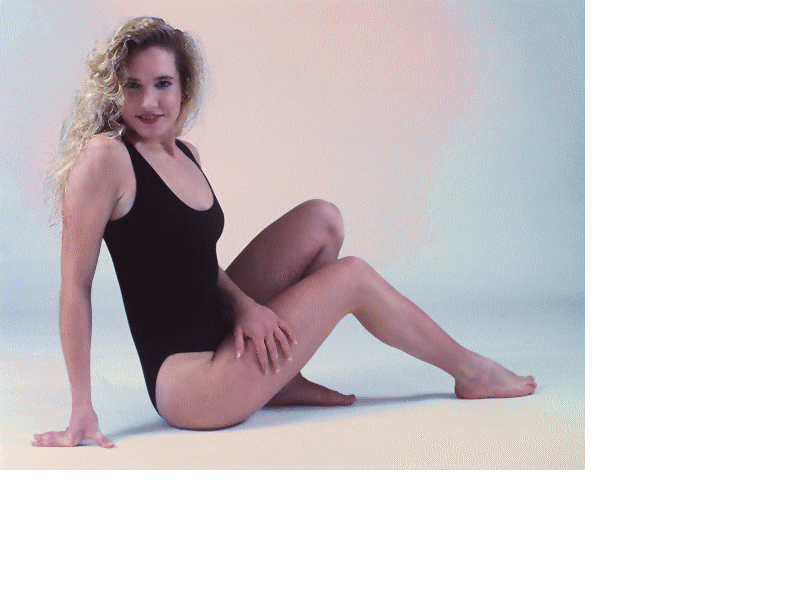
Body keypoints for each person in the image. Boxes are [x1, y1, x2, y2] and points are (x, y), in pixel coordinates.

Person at [33, 17, 536, 449]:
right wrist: (81, 408)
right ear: (113, 90)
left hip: (218, 334)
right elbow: (75, 287)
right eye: (132, 86)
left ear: (184, 86)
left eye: (162, 83)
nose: (149, 101)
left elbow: (195, 263)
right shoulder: (105, 158)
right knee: (353, 277)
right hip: (190, 385)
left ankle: (281, 379)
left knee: (322, 218)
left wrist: (247, 308)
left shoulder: (185, 153)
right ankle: (472, 372)